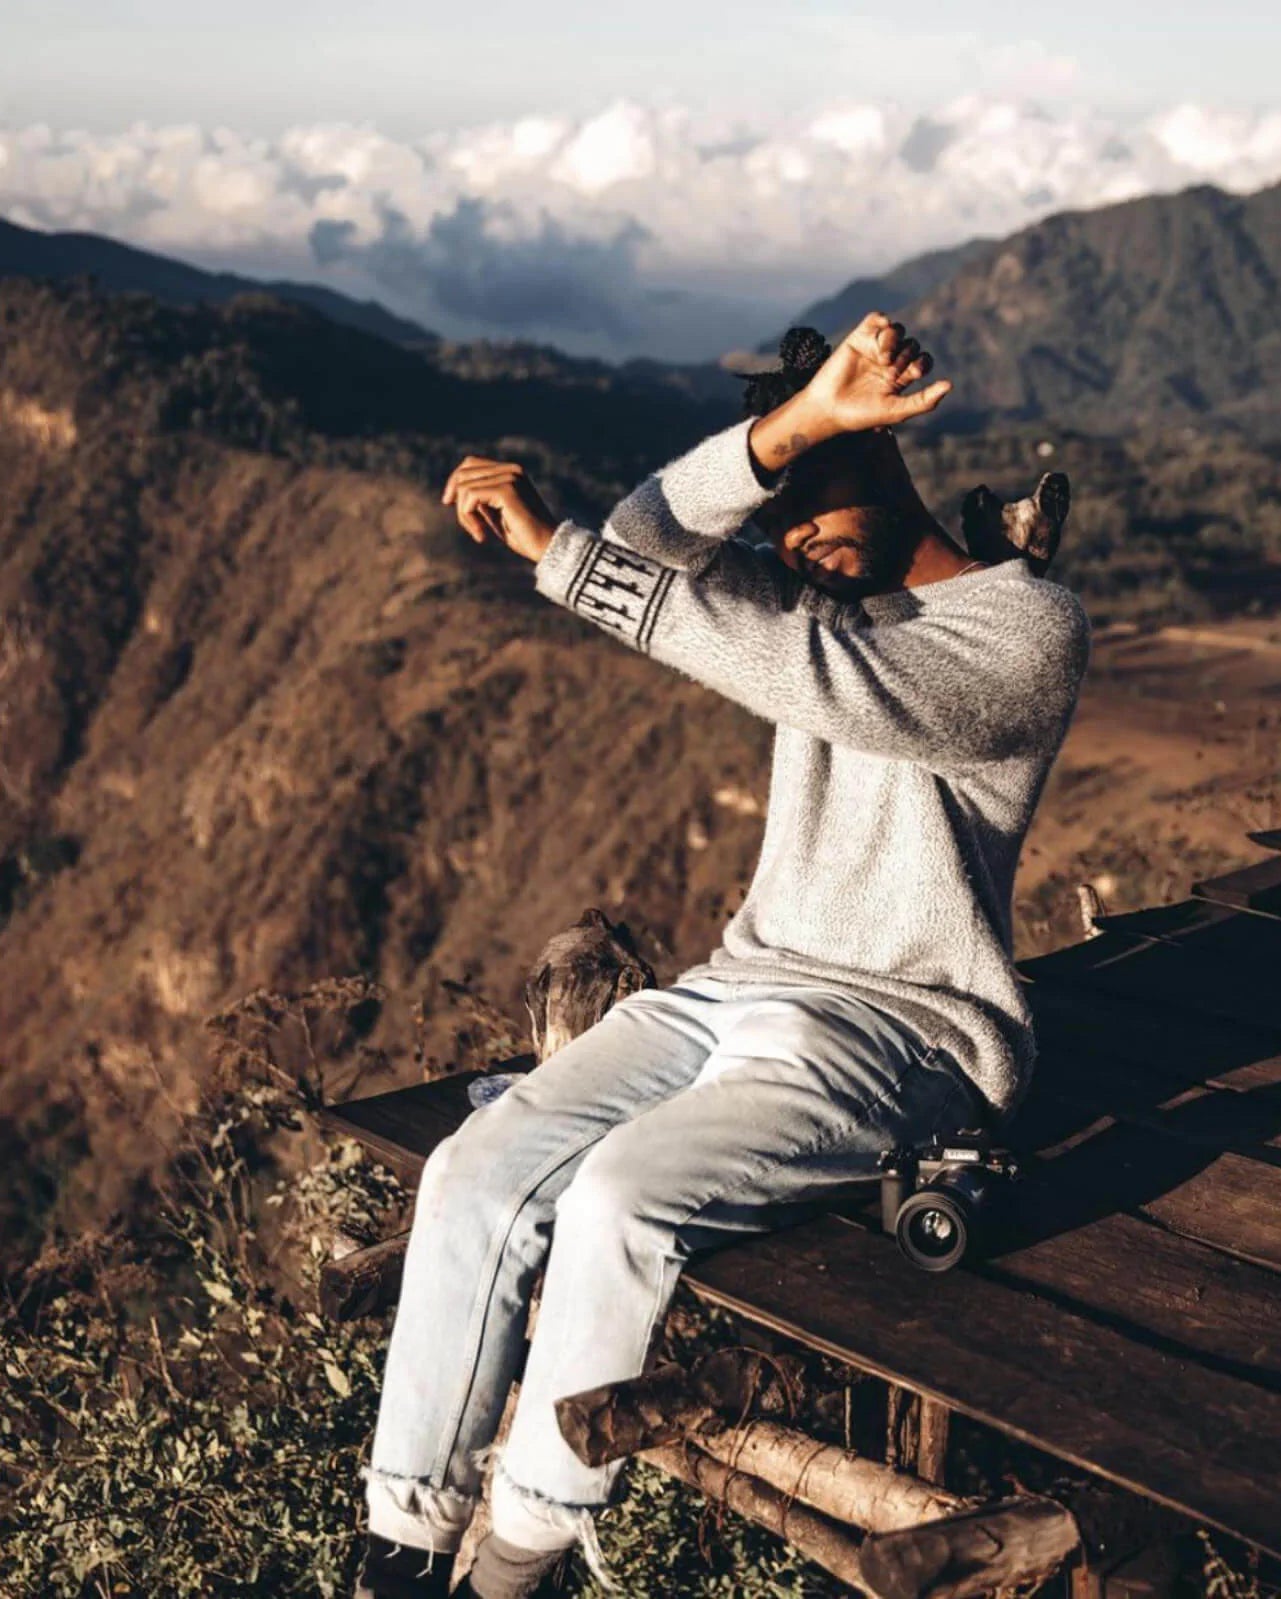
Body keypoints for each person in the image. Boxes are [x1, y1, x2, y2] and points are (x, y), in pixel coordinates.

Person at [356, 315, 1091, 1599]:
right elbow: (642, 548)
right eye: (780, 500)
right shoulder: (814, 589)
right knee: (475, 1174)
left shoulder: (1025, 629)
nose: (796, 527)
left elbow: (818, 676)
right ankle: (404, 1548)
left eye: (820, 486)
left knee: (618, 1203)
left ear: (894, 459)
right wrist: (788, 432)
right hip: (729, 990)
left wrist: (576, 549)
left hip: (904, 1029)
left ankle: (517, 1561)